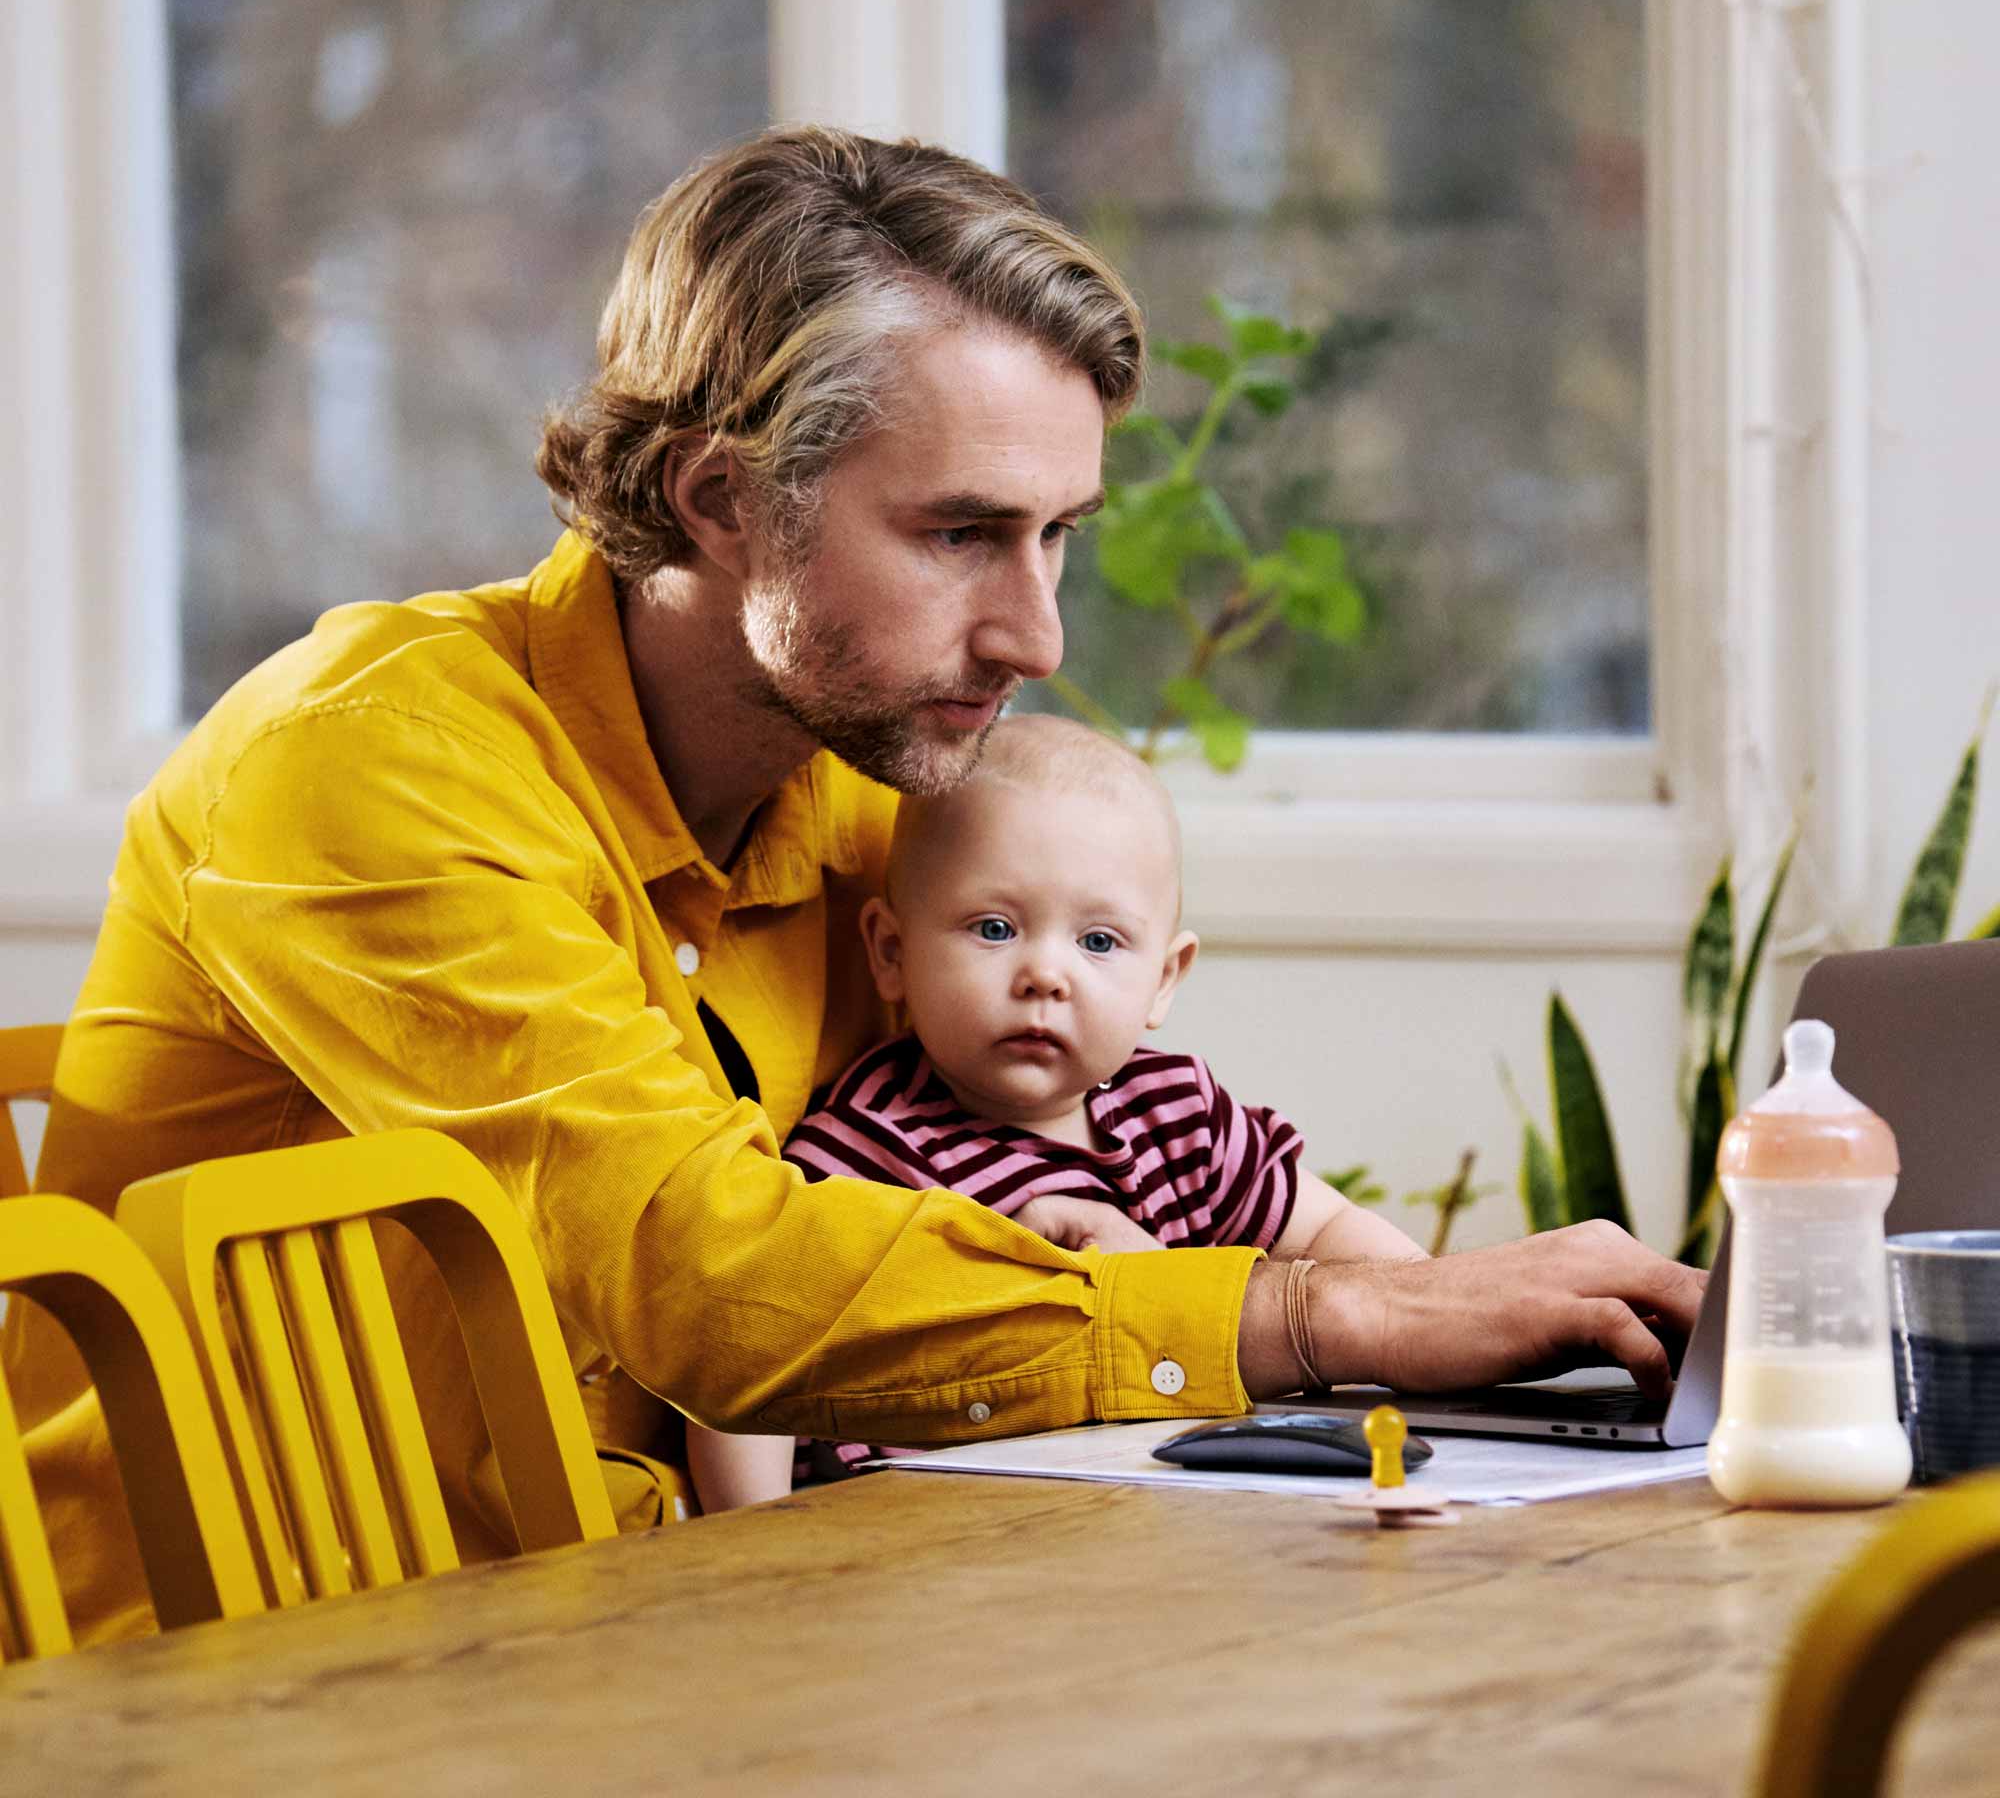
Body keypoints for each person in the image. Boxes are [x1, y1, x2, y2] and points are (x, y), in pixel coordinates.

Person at [5, 126, 1703, 1643]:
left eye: (1060, 538)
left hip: (674, 1628)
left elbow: (1057, 1156)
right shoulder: (370, 763)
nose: (1037, 635)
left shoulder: (871, 784)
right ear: (725, 499)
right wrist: (1329, 1317)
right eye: (963, 534)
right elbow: (703, 1273)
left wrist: (1418, 1296)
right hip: (260, 1684)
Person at [685, 715, 1428, 1512]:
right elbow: (750, 1353)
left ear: (1166, 978)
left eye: (1100, 942)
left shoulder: (1181, 1115)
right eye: (995, 928)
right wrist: (754, 1534)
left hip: (1161, 1519)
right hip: (923, 1538)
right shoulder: (867, 1152)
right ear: (892, 954)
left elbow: (1333, 1237)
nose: (1045, 973)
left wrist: (1427, 1322)